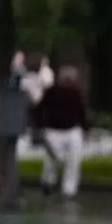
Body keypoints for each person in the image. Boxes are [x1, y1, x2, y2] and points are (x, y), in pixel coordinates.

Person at [35, 65, 87, 199]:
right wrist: (40, 126)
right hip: (53, 130)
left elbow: (81, 112)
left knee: (73, 160)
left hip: (72, 130)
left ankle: (69, 190)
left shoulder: (76, 93)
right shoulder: (51, 92)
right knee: (52, 159)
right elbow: (40, 109)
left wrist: (84, 128)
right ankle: (48, 181)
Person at [0, 51, 31, 210]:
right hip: (11, 124)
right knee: (9, 159)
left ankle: (11, 196)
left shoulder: (16, 77)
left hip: (6, 124)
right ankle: (12, 195)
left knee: (8, 159)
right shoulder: (21, 79)